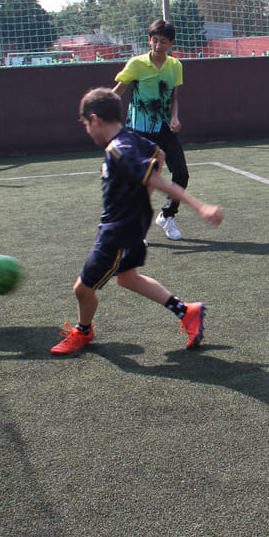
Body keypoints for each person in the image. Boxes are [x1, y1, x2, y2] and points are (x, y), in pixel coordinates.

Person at [52, 87, 224, 356]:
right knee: (128, 278)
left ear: (95, 119)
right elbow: (159, 155)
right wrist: (142, 196)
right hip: (131, 226)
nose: (87, 129)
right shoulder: (131, 137)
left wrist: (199, 207)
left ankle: (83, 332)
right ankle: (187, 312)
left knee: (82, 289)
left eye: (86, 123)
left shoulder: (119, 150)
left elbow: (158, 178)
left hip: (118, 232)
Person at [111, 19, 189, 240]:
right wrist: (101, 107)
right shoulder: (136, 64)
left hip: (166, 130)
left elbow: (174, 97)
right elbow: (119, 89)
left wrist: (174, 118)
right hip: (139, 132)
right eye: (154, 41)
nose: (157, 46)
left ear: (170, 43)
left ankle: (167, 215)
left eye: (163, 42)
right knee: (142, 180)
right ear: (149, 40)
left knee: (181, 173)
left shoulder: (176, 66)